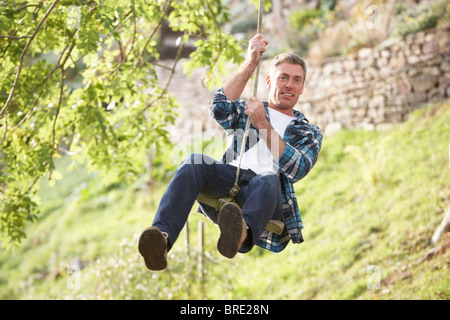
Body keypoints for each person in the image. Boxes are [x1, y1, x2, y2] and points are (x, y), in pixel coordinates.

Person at [138, 34, 323, 271]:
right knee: (194, 161)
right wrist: (250, 63)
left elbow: (297, 169)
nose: (289, 84)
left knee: (267, 177)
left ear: (302, 88)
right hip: (231, 177)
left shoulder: (308, 131)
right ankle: (161, 239)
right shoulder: (250, 108)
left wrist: (263, 124)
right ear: (269, 81)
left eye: (297, 80)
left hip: (266, 195)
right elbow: (219, 107)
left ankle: (239, 233)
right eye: (283, 77)